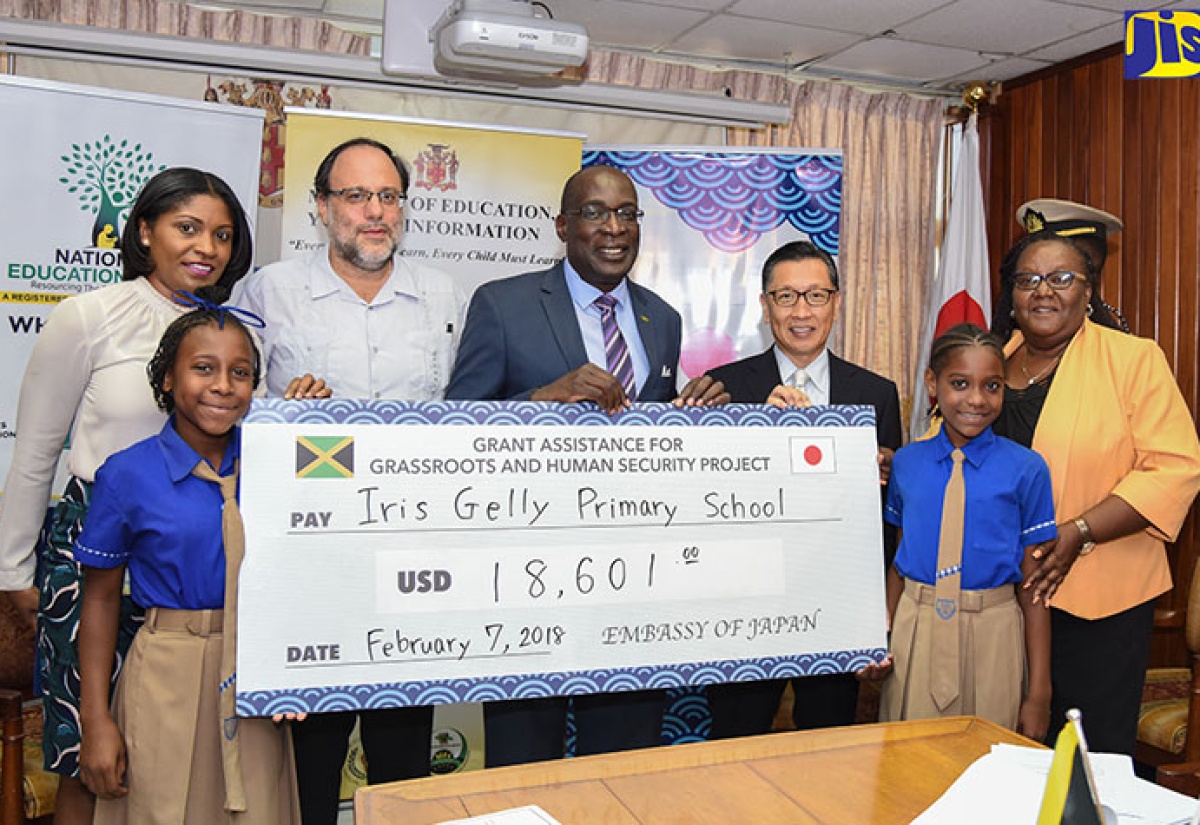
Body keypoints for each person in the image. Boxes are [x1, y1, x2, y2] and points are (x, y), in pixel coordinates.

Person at [444, 164, 728, 766]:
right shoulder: (502, 304)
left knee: (624, 766)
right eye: (596, 213)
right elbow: (457, 433)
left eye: (627, 213)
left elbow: (653, 442)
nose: (614, 228)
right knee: (525, 768)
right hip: (528, 583)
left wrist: (697, 419)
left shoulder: (662, 318)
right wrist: (544, 396)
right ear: (563, 225)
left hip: (634, 584)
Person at [0, 167, 253, 825]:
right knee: (91, 748)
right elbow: (35, 451)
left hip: (191, 561)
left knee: (170, 746)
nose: (207, 248)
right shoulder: (88, 316)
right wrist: (15, 576)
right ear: (145, 231)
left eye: (222, 234)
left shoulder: (236, 332)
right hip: (91, 563)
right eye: (188, 228)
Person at [233, 137, 462, 823]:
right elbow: (221, 402)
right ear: (322, 207)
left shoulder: (443, 294)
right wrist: (279, 414)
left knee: (403, 754)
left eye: (388, 196)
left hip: (410, 556)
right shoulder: (270, 290)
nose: (374, 212)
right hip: (310, 558)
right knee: (310, 754)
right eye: (356, 196)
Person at [76, 305, 300, 824]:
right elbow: (101, 597)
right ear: (168, 379)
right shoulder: (127, 473)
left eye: (240, 373)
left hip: (256, 678)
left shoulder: (279, 460)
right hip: (164, 676)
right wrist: (96, 720)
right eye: (203, 368)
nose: (223, 385)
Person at [991, 207, 1200, 754]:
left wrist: (1079, 530)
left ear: (1089, 292)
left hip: (1097, 599)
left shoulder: (1133, 360)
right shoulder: (988, 365)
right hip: (994, 601)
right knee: (1001, 752)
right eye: (1028, 279)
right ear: (1011, 294)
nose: (1043, 291)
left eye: (1062, 278)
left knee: (1087, 760)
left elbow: (1176, 466)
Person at [703, 239, 902, 738]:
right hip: (742, 611)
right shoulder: (723, 389)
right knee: (735, 749)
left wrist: (877, 612)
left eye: (816, 295)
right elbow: (703, 506)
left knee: (829, 749)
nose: (801, 311)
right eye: (786, 296)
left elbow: (883, 518)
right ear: (765, 304)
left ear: (836, 302)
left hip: (835, 606)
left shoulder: (875, 394)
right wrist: (753, 433)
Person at [872, 323, 1056, 740]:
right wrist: (881, 638)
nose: (976, 399)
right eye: (960, 384)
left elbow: (1034, 588)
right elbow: (901, 561)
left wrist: (1039, 693)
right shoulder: (906, 463)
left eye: (991, 386)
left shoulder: (1027, 468)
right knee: (908, 765)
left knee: (989, 766)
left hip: (994, 633)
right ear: (933, 383)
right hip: (915, 630)